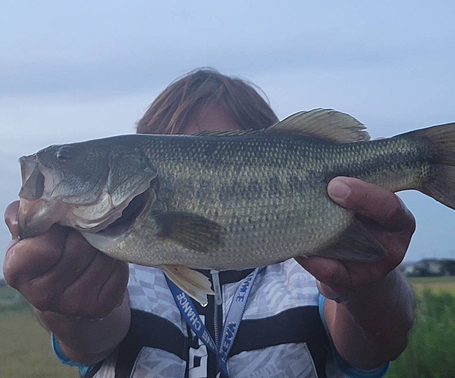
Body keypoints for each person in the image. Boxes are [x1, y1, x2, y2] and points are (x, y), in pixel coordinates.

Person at [4, 68, 415, 378]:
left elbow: (375, 345)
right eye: (177, 147)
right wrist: (68, 308)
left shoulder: (310, 265)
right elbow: (92, 340)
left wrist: (371, 286)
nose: (198, 157)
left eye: (219, 147)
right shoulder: (117, 271)